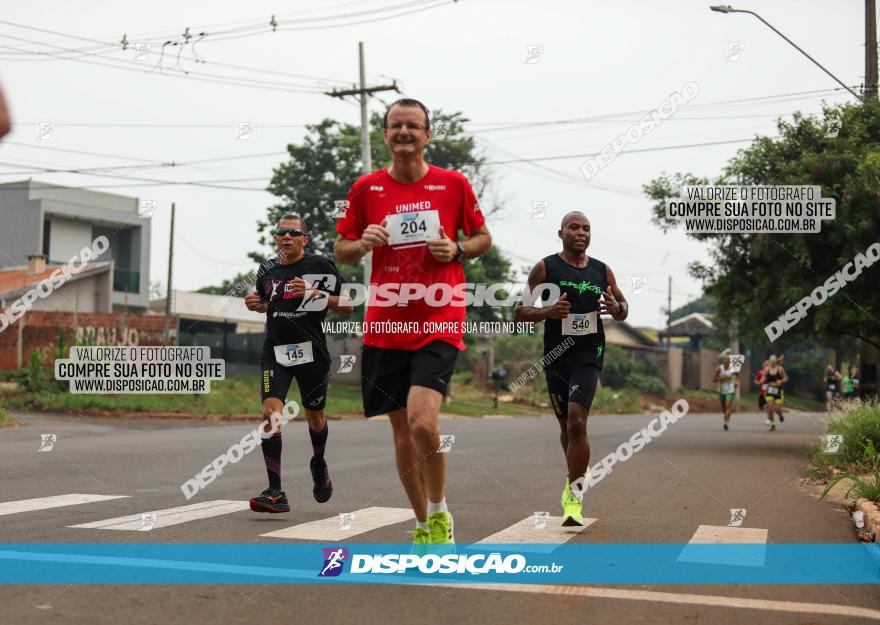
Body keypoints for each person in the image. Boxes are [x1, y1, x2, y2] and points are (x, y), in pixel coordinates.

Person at [334, 98, 492, 546]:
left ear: (427, 135)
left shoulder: (453, 184)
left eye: (413, 126)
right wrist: (361, 242)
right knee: (402, 432)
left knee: (424, 423)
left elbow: (483, 237)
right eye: (395, 126)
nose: (404, 132)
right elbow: (340, 248)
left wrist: (457, 249)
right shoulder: (366, 189)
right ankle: (422, 523)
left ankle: (440, 513)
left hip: (439, 316)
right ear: (385, 135)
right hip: (385, 323)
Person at [514, 211, 628, 526]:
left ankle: (574, 496)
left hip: (590, 353)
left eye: (586, 228)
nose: (581, 233)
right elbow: (519, 312)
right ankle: (573, 475)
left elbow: (623, 308)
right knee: (566, 429)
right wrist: (548, 311)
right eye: (574, 227)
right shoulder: (545, 268)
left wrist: (618, 309)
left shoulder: (602, 270)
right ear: (561, 232)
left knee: (578, 423)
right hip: (556, 356)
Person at [244, 214, 353, 513]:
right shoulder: (267, 270)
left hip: (311, 353)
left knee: (315, 417)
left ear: (305, 239)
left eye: (294, 233)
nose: (287, 237)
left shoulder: (319, 266)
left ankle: (319, 462)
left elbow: (348, 305)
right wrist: (259, 305)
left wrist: (314, 293)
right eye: (282, 233)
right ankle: (276, 492)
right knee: (270, 414)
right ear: (276, 238)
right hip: (275, 352)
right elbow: (270, 303)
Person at [714, 354, 738, 430]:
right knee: (724, 407)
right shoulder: (719, 369)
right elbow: (714, 379)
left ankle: (726, 422)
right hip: (722, 390)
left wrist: (736, 382)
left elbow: (737, 376)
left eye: (728, 360)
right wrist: (721, 378)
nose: (726, 361)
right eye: (725, 360)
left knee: (727, 405)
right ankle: (727, 415)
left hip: (730, 390)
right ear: (723, 361)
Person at [763, 355, 788, 430]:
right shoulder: (767, 369)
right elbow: (764, 378)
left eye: (773, 362)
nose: (772, 364)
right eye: (771, 362)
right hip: (769, 390)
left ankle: (780, 414)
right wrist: (761, 380)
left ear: (776, 362)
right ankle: (772, 424)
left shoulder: (780, 369)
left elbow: (786, 378)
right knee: (770, 407)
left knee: (777, 408)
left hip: (778, 391)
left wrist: (781, 381)